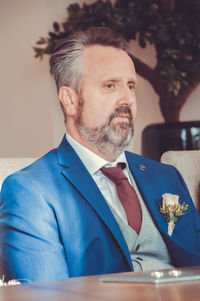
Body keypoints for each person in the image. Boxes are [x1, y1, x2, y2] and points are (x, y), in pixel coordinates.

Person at [0, 27, 200, 283]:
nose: (127, 99)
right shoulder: (30, 192)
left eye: (131, 86)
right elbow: (45, 295)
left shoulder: (167, 177)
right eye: (110, 85)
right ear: (70, 100)